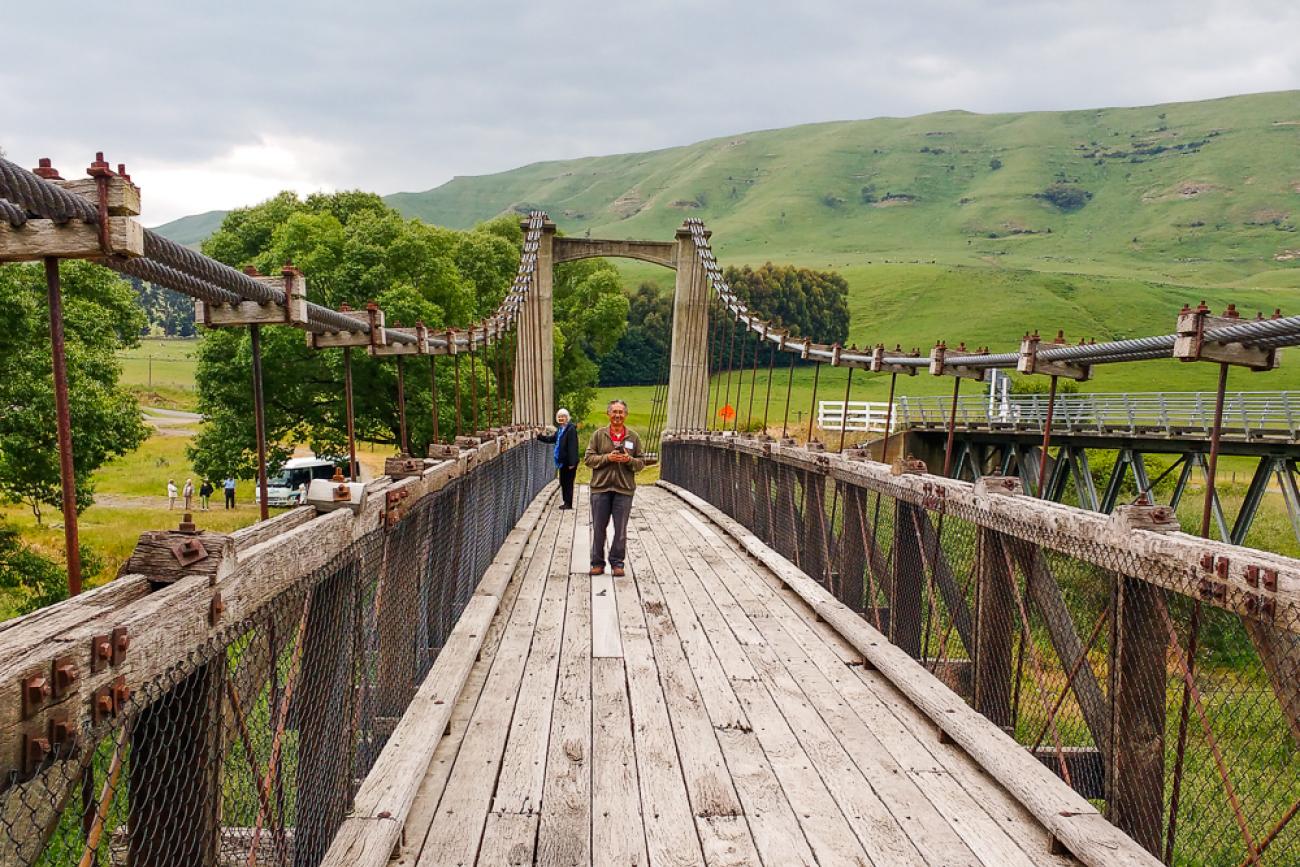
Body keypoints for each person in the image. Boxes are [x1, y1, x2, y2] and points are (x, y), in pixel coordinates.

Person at [584, 399, 645, 577]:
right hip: (600, 488)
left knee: (620, 529)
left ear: (626, 415)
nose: (617, 415)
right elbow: (588, 459)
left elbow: (641, 463)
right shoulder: (598, 435)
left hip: (624, 489)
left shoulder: (633, 437)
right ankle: (597, 563)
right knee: (598, 527)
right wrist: (607, 458)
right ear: (608, 414)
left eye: (621, 412)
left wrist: (628, 460)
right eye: (614, 412)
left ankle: (617, 563)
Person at [536, 408, 579, 510]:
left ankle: (568, 503)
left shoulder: (571, 429)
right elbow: (552, 439)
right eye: (559, 417)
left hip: (569, 461)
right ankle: (566, 502)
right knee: (563, 481)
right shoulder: (560, 429)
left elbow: (573, 446)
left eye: (563, 417)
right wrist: (539, 436)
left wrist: (572, 462)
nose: (561, 418)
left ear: (567, 418)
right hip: (562, 461)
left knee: (568, 482)